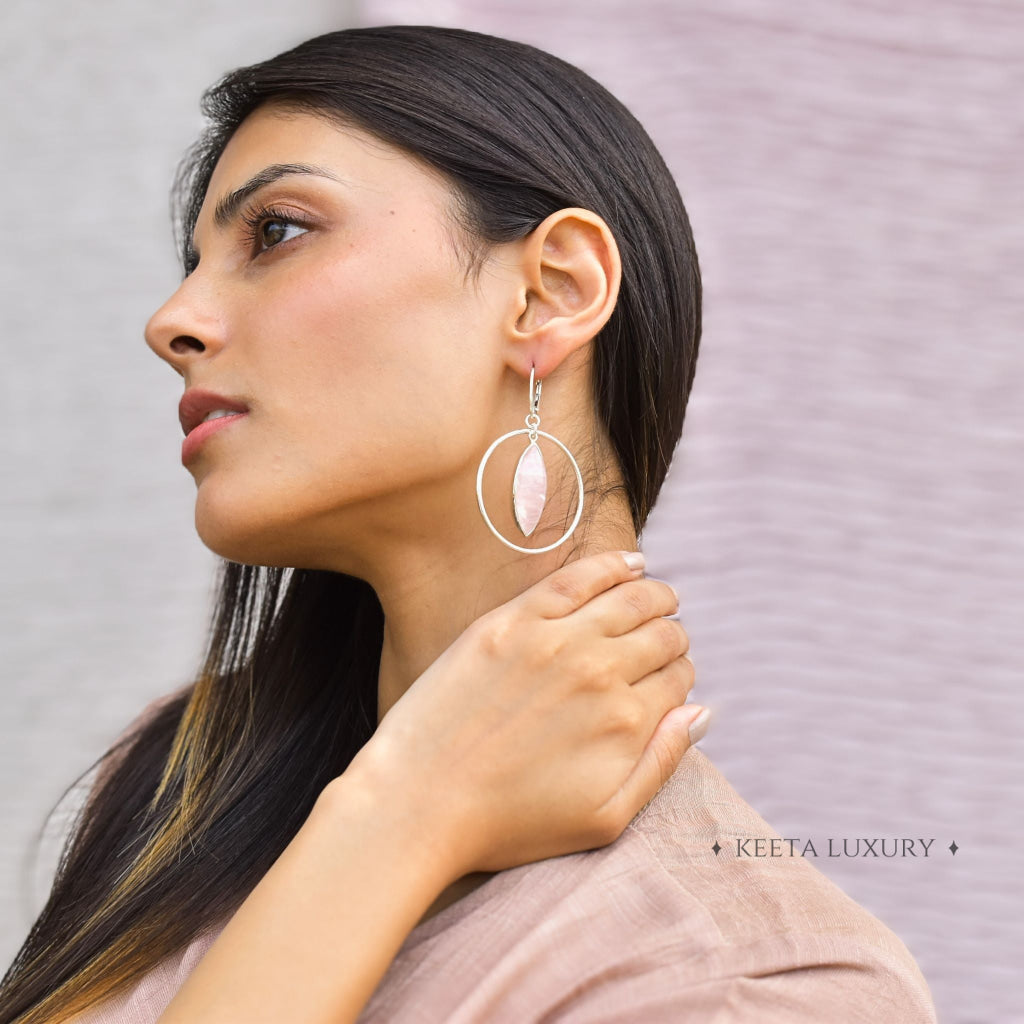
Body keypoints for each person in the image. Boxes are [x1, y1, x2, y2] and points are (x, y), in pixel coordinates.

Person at [0, 24, 937, 1024]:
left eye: (274, 231)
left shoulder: (739, 986)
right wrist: (403, 810)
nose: (171, 321)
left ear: (550, 292)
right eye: (196, 261)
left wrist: (403, 813)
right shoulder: (175, 786)